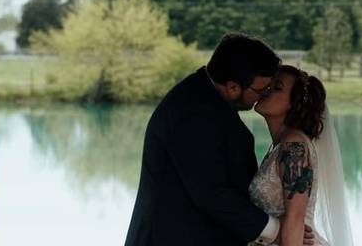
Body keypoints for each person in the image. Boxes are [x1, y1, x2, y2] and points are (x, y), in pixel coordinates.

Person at [124, 34, 315, 246]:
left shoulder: (208, 100)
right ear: (233, 87)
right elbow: (211, 193)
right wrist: (275, 230)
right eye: (261, 90)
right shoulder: (192, 111)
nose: (263, 95)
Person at [250, 66, 355, 246]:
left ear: (293, 103)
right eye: (269, 84)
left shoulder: (294, 146)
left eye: (277, 87)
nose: (266, 89)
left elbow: (295, 218)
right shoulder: (279, 145)